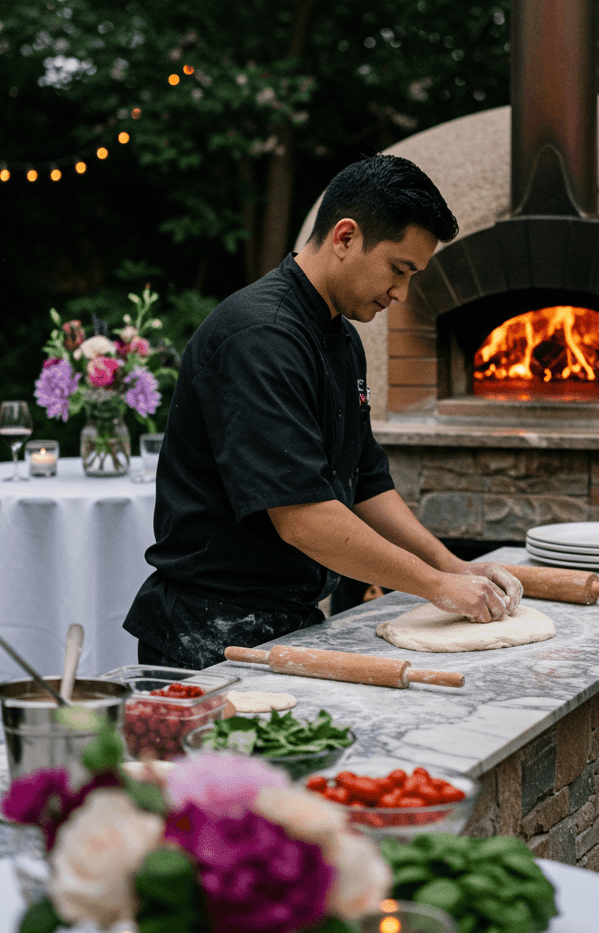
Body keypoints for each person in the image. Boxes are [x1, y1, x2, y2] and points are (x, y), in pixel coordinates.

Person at [124, 154, 522, 670]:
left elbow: (365, 484)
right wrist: (436, 587)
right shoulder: (260, 336)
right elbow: (304, 520)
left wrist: (453, 565)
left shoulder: (342, 338)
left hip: (290, 620)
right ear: (345, 237)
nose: (402, 293)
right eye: (399, 270)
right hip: (207, 633)